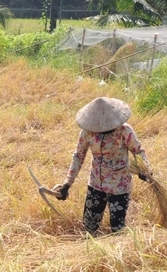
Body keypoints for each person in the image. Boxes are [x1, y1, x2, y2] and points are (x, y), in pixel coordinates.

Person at [55, 97, 152, 235]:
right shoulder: (87, 132)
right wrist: (67, 184)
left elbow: (138, 151)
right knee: (89, 227)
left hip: (119, 186)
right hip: (96, 184)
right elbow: (78, 156)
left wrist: (145, 168)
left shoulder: (125, 131)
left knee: (117, 230)